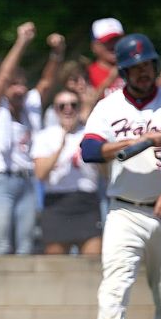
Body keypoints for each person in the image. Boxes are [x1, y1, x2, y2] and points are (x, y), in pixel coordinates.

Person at [79, 33, 161, 319]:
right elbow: (89, 150)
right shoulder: (109, 107)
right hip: (124, 211)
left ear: (155, 66)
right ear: (123, 72)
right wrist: (135, 142)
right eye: (134, 68)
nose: (142, 73)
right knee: (114, 289)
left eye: (147, 66)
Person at [0, 22, 64, 254]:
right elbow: (2, 78)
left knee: (27, 244)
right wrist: (21, 42)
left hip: (27, 181)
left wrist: (57, 54)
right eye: (13, 85)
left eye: (22, 84)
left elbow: (47, 82)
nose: (19, 89)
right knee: (0, 244)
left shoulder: (31, 107)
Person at [32, 90, 101, 255]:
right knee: (56, 266)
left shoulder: (91, 133)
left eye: (73, 105)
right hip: (57, 203)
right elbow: (40, 174)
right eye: (62, 106)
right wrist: (61, 144)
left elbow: (104, 171)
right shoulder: (44, 136)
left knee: (93, 262)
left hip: (86, 201)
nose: (68, 109)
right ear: (55, 110)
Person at [87, 18, 125, 97]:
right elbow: (87, 104)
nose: (114, 45)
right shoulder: (88, 74)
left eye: (117, 40)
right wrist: (111, 79)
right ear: (94, 46)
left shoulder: (135, 68)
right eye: (107, 42)